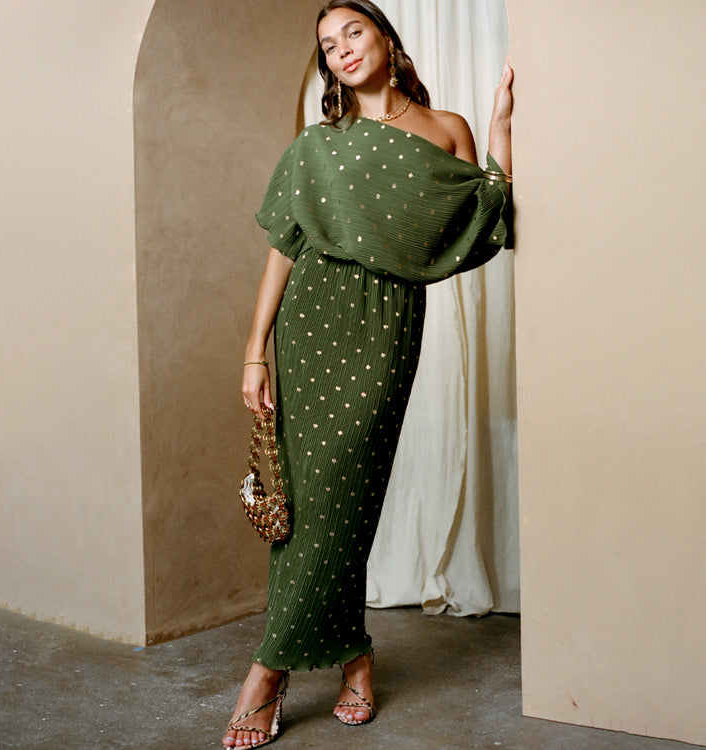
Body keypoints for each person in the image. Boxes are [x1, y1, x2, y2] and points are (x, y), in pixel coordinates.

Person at [225, 1, 513, 746]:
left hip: (387, 320)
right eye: (328, 45)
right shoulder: (318, 144)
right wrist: (255, 349)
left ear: (385, 36)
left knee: (348, 494)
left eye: (353, 32)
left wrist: (501, 131)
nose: (343, 50)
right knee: (311, 500)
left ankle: (313, 660)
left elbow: (484, 217)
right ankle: (300, 666)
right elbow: (283, 247)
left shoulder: (447, 129)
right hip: (312, 318)